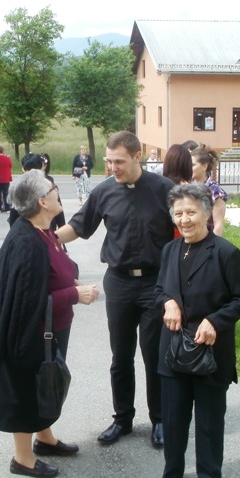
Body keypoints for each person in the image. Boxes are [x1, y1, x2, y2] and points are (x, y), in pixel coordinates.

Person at [56, 131, 176, 449]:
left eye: (119, 161)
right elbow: (79, 227)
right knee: (120, 357)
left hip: (156, 283)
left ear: (138, 156)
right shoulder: (104, 191)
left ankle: (160, 420)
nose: (112, 168)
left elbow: (184, 235)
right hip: (120, 283)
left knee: (154, 356)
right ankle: (122, 419)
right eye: (109, 161)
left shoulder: (165, 190)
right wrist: (44, 238)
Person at [0, 170, 100, 478]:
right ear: (42, 201)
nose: (57, 190)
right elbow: (26, 303)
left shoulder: (43, 230)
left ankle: (44, 437)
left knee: (45, 382)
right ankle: (23, 458)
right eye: (52, 188)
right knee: (28, 386)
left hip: (51, 328)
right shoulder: (25, 242)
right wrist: (74, 293)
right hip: (30, 333)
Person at [155, 183, 240, 478]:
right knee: (173, 424)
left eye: (191, 212)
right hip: (173, 353)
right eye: (178, 213)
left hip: (211, 354)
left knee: (209, 426)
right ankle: (171, 475)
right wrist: (168, 302)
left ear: (207, 213)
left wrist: (215, 321)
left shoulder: (225, 253)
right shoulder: (170, 250)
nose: (184, 219)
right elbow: (159, 289)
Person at [191, 144, 228, 236]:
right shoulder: (187, 185)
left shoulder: (215, 191)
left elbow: (218, 224)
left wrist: (212, 248)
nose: (188, 168)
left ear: (204, 166)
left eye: (192, 165)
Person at [0, 145, 13, 212]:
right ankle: (7, 208)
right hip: (6, 178)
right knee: (6, 193)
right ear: (3, 151)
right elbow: (10, 166)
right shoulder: (7, 158)